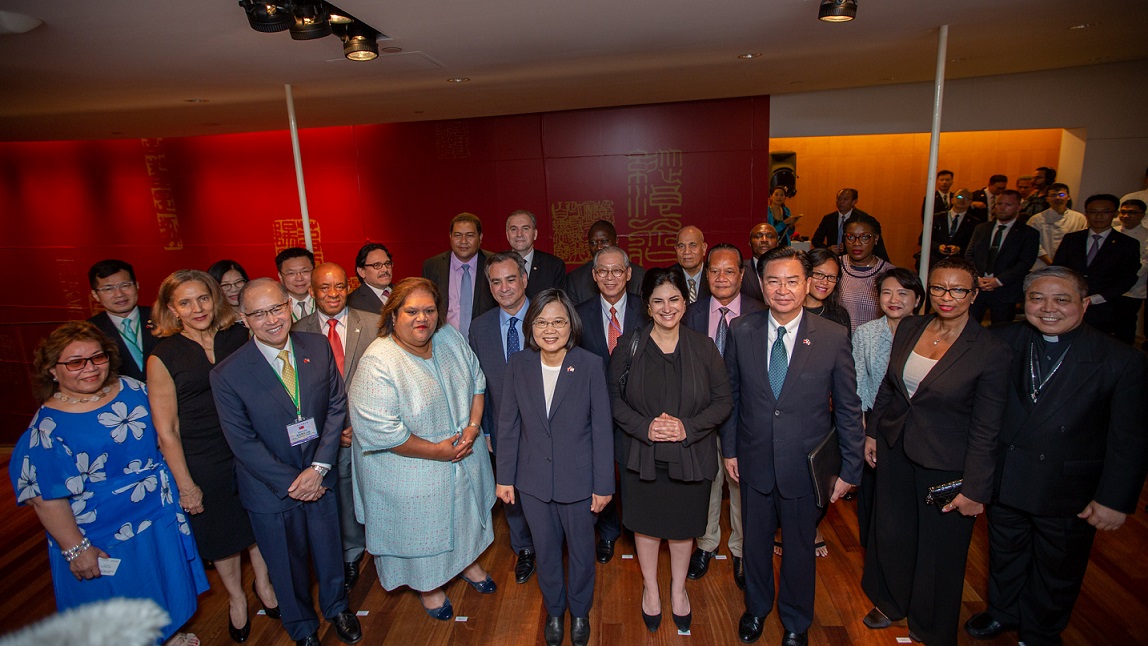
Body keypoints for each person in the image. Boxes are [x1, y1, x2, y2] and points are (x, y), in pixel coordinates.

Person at [965, 266, 1148, 645]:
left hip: (1067, 487)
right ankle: (1003, 612)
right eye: (1037, 298)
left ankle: (1041, 631)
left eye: (1061, 300)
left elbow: (1129, 439)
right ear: (1024, 302)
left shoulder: (1119, 359)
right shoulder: (999, 340)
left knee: (1058, 566)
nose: (1048, 308)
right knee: (1005, 552)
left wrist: (1114, 499)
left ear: (1083, 304)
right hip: (1007, 475)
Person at [10, 321, 208, 645]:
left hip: (156, 515)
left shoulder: (133, 389)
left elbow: (167, 433)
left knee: (161, 583)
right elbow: (45, 498)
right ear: (52, 371)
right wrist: (76, 549)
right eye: (75, 362)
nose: (89, 368)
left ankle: (168, 635)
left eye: (97, 357)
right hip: (100, 533)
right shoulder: (46, 429)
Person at [860, 257, 1010, 646]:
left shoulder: (990, 350)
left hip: (946, 462)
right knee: (892, 532)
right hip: (895, 447)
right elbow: (890, 388)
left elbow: (987, 426)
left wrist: (976, 488)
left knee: (939, 550)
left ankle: (929, 625)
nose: (947, 297)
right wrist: (874, 432)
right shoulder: (911, 326)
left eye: (958, 289)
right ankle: (892, 602)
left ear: (974, 294)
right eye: (940, 288)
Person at [720, 246, 864, 646]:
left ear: (808, 285)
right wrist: (730, 450)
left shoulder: (832, 336)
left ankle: (797, 621)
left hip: (806, 466)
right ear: (761, 285)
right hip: (753, 460)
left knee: (799, 550)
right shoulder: (742, 330)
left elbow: (849, 408)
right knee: (755, 543)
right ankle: (757, 608)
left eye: (792, 280)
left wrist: (850, 470)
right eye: (773, 281)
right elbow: (732, 396)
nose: (782, 290)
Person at [211, 278, 362, 646]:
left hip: (319, 475)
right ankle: (302, 628)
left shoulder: (317, 346)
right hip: (271, 490)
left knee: (330, 551)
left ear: (290, 308)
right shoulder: (227, 373)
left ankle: (337, 607)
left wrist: (319, 468)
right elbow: (242, 442)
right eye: (259, 314)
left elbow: (336, 406)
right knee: (285, 564)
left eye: (277, 308)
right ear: (244, 319)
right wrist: (295, 480)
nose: (271, 319)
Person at [346, 278, 496, 621]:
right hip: (410, 468)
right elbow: (382, 430)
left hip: (462, 451)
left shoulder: (448, 338)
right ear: (393, 314)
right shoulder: (379, 361)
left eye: (429, 310)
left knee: (465, 518)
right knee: (422, 533)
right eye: (411, 311)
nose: (422, 319)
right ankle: (429, 587)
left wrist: (473, 428)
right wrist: (438, 452)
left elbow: (476, 379)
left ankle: (467, 564)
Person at [148, 270, 277, 643]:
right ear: (172, 309)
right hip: (203, 457)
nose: (197, 308)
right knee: (221, 534)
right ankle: (237, 599)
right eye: (185, 302)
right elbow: (167, 430)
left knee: (258, 522)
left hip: (250, 446)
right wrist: (186, 484)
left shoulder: (237, 336)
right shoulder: (164, 355)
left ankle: (264, 586)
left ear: (215, 298)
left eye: (203, 298)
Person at [609, 268, 732, 635]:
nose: (667, 308)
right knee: (646, 527)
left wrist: (686, 427)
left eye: (674, 299)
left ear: (685, 301)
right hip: (641, 455)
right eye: (658, 301)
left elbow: (724, 401)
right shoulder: (628, 345)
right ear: (647, 305)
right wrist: (645, 427)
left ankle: (678, 591)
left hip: (692, 454)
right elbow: (614, 401)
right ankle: (651, 589)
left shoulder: (704, 347)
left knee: (682, 528)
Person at [495, 289, 614, 646]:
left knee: (581, 553)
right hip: (532, 482)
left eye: (559, 321)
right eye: (542, 321)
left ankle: (579, 612)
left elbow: (602, 429)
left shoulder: (590, 364)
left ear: (571, 326)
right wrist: (504, 478)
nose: (550, 329)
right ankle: (555, 610)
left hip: (579, 482)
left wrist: (604, 484)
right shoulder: (518, 364)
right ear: (531, 326)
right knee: (545, 553)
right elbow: (509, 424)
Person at [291, 263, 382, 593]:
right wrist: (338, 427)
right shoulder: (297, 331)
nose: (333, 294)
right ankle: (351, 554)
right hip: (330, 434)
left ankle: (385, 544)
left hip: (372, 428)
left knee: (379, 488)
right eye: (325, 288)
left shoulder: (373, 323)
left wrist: (358, 423)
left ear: (349, 287)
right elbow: (301, 390)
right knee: (342, 492)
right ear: (312, 292)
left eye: (340, 287)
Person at [682, 243, 765, 590]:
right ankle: (706, 543)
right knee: (706, 482)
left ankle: (742, 550)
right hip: (702, 416)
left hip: (747, 418)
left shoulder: (762, 313)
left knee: (741, 484)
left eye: (729, 271)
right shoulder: (692, 313)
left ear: (742, 275)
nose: (721, 277)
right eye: (714, 270)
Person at [468, 251, 536, 585]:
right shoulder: (479, 328)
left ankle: (552, 542)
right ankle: (524, 548)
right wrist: (486, 429)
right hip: (502, 427)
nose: (504, 287)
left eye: (511, 279)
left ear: (524, 279)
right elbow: (478, 385)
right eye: (496, 281)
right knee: (510, 490)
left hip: (548, 425)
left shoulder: (549, 317)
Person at [573, 245, 645, 562]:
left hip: (639, 410)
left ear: (629, 274)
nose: (610, 277)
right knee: (600, 472)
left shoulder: (648, 310)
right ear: (594, 275)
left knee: (635, 471)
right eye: (603, 271)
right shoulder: (579, 313)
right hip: (594, 409)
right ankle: (609, 531)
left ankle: (637, 527)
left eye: (617, 270)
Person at [851, 268, 924, 547]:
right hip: (875, 422)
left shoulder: (929, 334)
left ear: (917, 299)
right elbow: (857, 381)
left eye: (903, 293)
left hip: (915, 424)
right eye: (886, 292)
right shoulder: (866, 333)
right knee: (873, 492)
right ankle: (872, 550)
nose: (894, 299)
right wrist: (862, 425)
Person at [1052, 194, 1142, 342]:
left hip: (1106, 306)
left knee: (1097, 345)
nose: (1098, 216)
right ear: (1086, 213)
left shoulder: (1127, 244)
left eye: (1105, 212)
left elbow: (1128, 277)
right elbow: (1058, 269)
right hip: (1070, 302)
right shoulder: (1072, 239)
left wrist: (1097, 298)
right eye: (1093, 211)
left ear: (1114, 214)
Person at [965, 189, 1041, 326]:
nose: (1002, 208)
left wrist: (999, 281)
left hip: (1005, 291)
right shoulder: (982, 228)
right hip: (978, 287)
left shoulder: (1028, 233)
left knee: (1001, 330)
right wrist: (977, 277)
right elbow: (969, 255)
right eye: (999, 204)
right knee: (969, 326)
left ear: (1019, 207)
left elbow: (1025, 263)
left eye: (1008, 205)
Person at [422, 212, 496, 338]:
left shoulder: (494, 263)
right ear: (450, 236)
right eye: (457, 235)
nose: (463, 241)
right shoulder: (432, 266)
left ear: (480, 237)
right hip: (444, 341)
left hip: (485, 339)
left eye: (470, 235)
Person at [87, 259, 159, 382]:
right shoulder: (89, 331)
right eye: (108, 289)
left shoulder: (161, 316)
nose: (119, 294)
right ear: (95, 295)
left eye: (125, 285)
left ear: (136, 285)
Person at [837, 214, 896, 334]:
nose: (856, 243)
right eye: (850, 237)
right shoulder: (834, 267)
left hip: (873, 346)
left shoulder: (889, 274)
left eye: (865, 237)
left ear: (876, 239)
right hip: (837, 343)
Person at [565, 220, 646, 304]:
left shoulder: (640, 275)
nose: (599, 247)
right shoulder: (575, 279)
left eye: (604, 241)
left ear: (616, 240)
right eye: (593, 243)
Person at [505, 209, 567, 297]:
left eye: (525, 229)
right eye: (514, 229)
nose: (519, 234)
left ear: (535, 234)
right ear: (507, 235)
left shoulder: (554, 266)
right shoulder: (495, 266)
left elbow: (558, 303)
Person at [1114, 199, 1148, 348]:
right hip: (1108, 287)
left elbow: (1144, 264)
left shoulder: (1146, 236)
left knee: (1125, 326)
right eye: (1124, 212)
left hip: (1133, 290)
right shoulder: (1112, 230)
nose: (1126, 216)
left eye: (1132, 213)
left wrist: (1123, 280)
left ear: (1142, 215)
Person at [1029, 182, 1086, 269]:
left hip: (1069, 266)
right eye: (1053, 195)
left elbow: (1081, 243)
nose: (1057, 198)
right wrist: (1051, 263)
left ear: (1069, 197)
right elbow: (1033, 244)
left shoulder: (1079, 218)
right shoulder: (1036, 219)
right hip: (1041, 266)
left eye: (1061, 194)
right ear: (1047, 199)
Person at [803, 248, 852, 332]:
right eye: (819, 274)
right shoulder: (789, 310)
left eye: (831, 277)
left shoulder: (840, 315)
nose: (825, 282)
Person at [928, 189, 981, 265]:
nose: (962, 200)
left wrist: (959, 249)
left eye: (967, 198)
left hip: (959, 262)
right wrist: (938, 247)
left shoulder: (975, 222)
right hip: (935, 260)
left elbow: (975, 246)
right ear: (952, 200)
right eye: (959, 196)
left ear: (970, 202)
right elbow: (923, 239)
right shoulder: (937, 217)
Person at [811, 188, 869, 255]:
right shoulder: (828, 218)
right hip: (833, 258)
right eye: (839, 199)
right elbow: (816, 240)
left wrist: (849, 247)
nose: (841, 202)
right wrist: (827, 249)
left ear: (854, 202)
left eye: (845, 199)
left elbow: (867, 242)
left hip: (853, 258)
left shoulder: (862, 218)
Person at [347, 243, 393, 314]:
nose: (385, 269)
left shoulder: (404, 292)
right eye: (377, 265)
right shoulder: (352, 303)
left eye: (387, 263)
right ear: (362, 271)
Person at [669, 225, 709, 303]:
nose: (686, 251)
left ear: (704, 248)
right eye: (681, 246)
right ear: (675, 249)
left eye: (692, 245)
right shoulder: (667, 278)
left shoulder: (715, 276)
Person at [741, 222, 779, 302]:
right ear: (750, 243)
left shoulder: (787, 270)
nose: (764, 240)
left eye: (770, 236)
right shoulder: (739, 268)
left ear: (777, 243)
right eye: (758, 236)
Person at [276, 248, 316, 321]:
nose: (299, 278)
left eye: (305, 271)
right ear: (280, 276)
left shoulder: (327, 300)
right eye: (291, 273)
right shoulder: (274, 307)